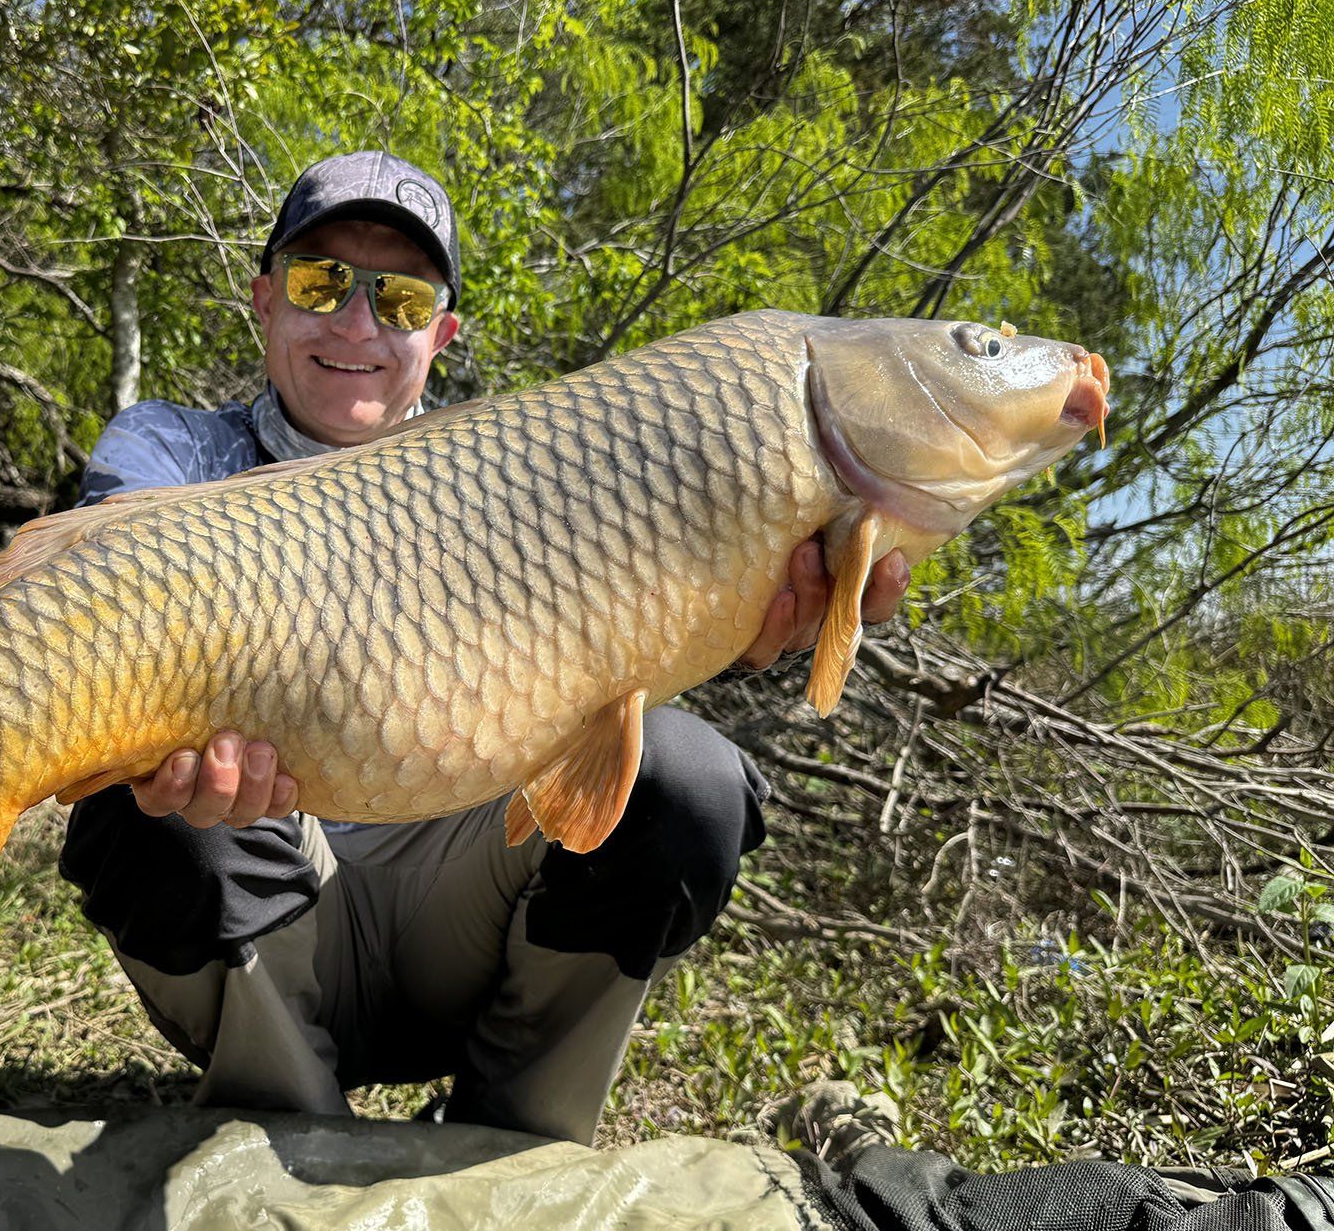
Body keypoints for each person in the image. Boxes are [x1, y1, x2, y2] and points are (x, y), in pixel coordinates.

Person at [57, 152, 910, 1144]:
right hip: (264, 906)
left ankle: (515, 1142)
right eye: (321, 282)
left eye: (402, 299)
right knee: (140, 761)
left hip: (462, 923)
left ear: (442, 335)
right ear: (263, 299)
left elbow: (638, 632)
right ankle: (288, 1131)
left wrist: (757, 603)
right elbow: (86, 617)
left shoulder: (523, 472)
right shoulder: (170, 452)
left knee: (687, 781)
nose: (356, 323)